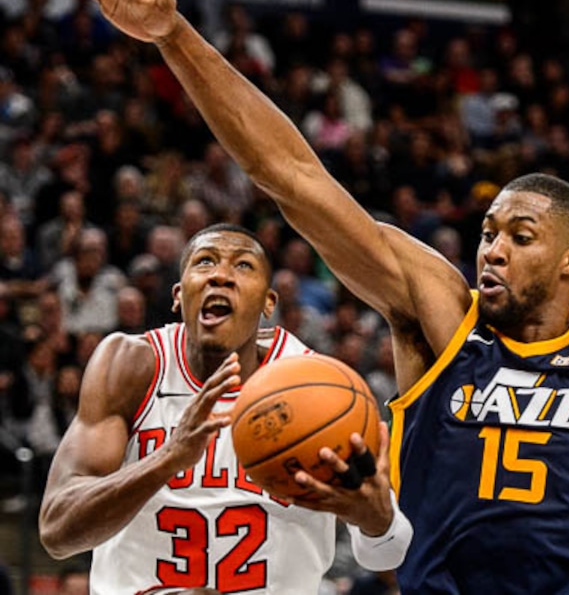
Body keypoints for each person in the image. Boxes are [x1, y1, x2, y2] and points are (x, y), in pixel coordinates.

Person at [68, 0, 569, 594]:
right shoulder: (444, 321)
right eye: (488, 232)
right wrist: (174, 38)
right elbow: (290, 175)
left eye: (520, 235)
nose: (493, 248)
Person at [38, 222, 411, 595]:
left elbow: (387, 554)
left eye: (243, 266)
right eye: (205, 262)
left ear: (268, 303)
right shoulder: (132, 366)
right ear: (178, 295)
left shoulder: (319, 389)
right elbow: (57, 531)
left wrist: (374, 519)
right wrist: (167, 459)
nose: (221, 276)